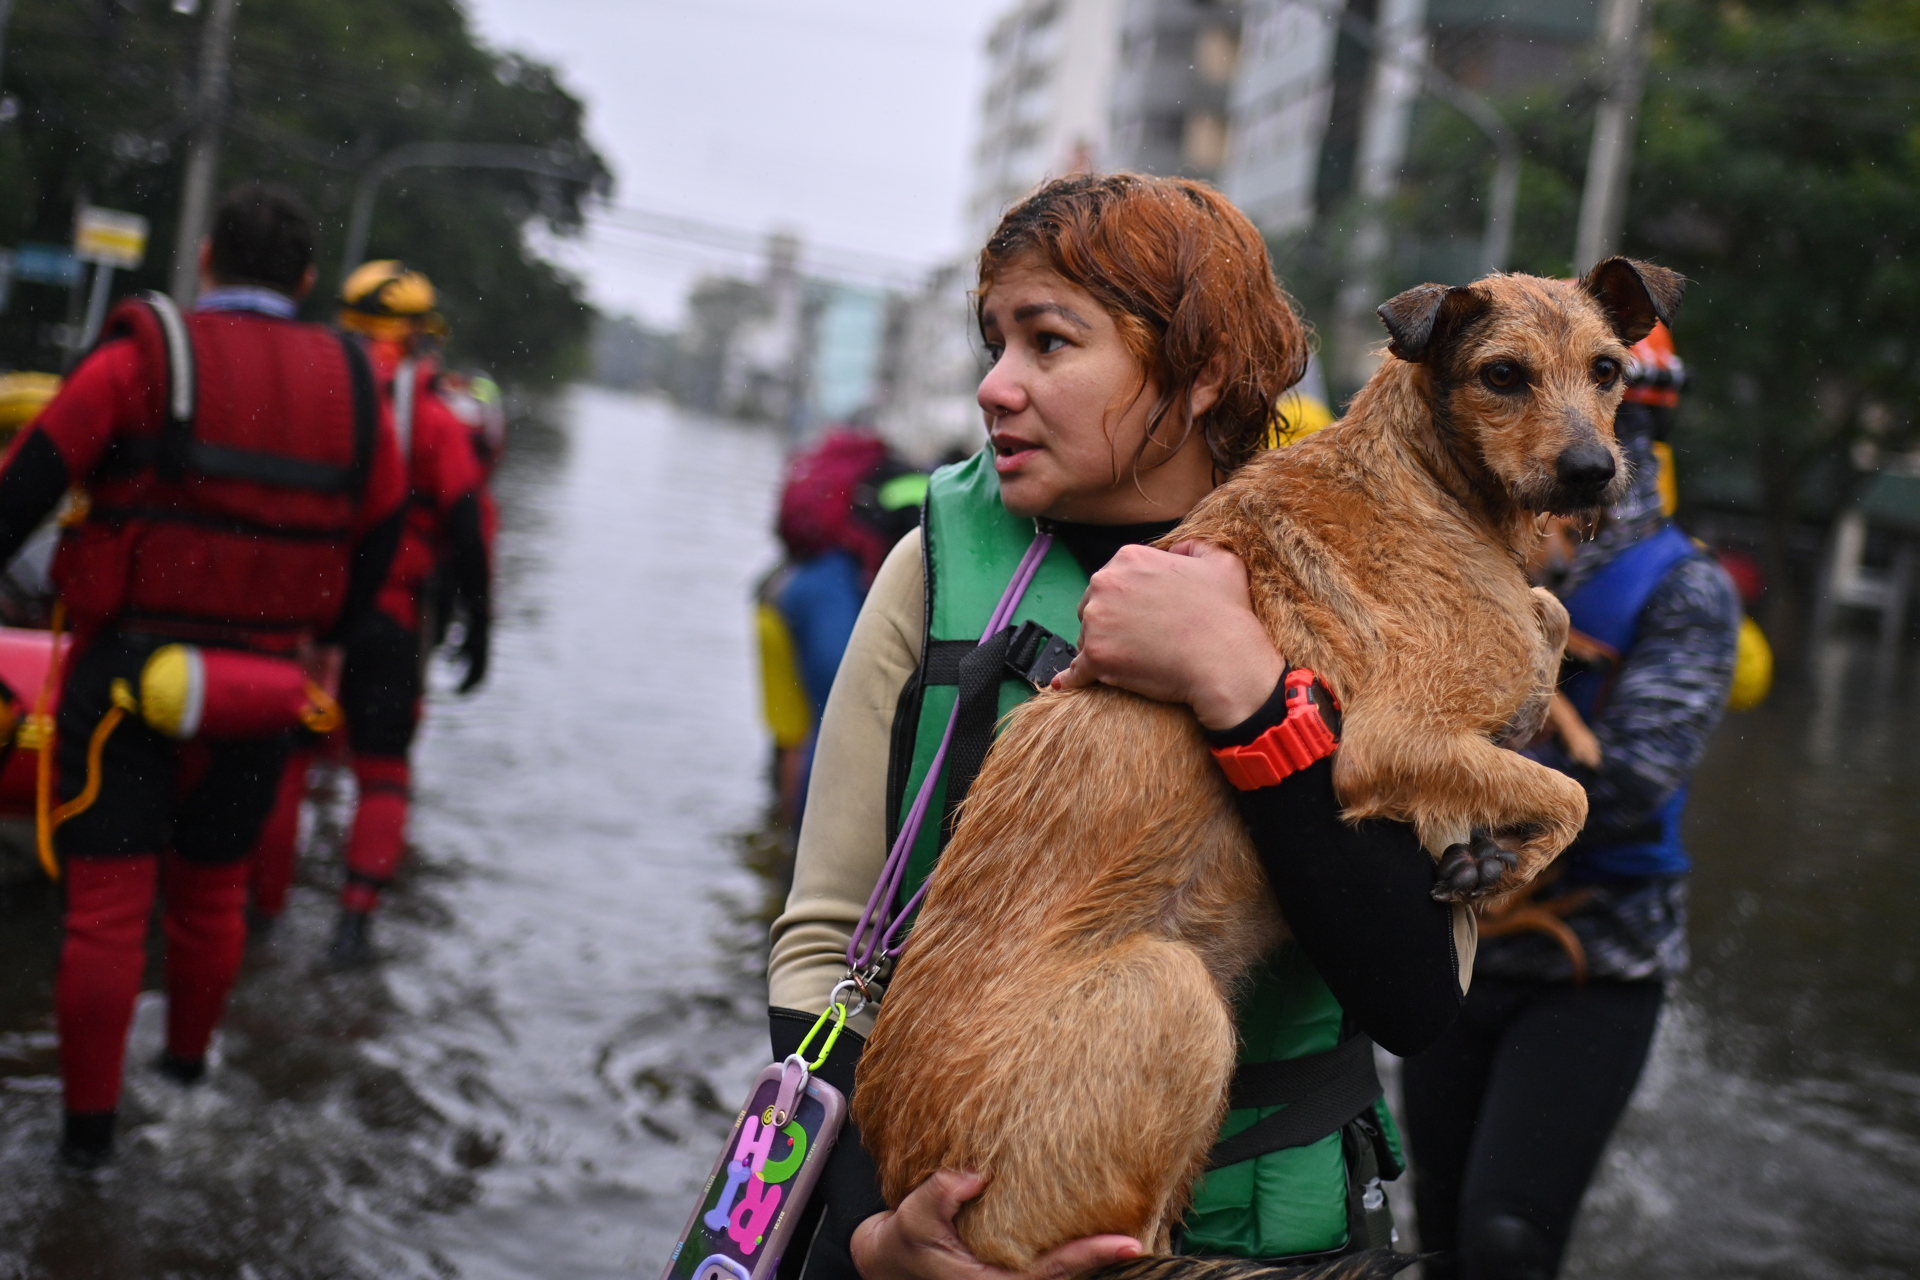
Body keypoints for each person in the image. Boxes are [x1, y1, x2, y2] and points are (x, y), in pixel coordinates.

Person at [766, 173, 1479, 1280]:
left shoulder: (1365, 588)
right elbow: (829, 946)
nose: (997, 387)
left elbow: (1416, 996)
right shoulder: (932, 572)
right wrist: (875, 1238)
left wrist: (1245, 692)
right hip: (948, 1235)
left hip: (1270, 1243)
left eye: (1049, 343)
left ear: (1198, 375)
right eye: (993, 342)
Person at [0, 182, 407, 1167]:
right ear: (307, 281)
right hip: (261, 684)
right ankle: (185, 1080)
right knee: (212, 895)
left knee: (105, 907)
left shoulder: (144, 357)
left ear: (206, 260)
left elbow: (29, 485)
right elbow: (384, 527)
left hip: (128, 674)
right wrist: (329, 630)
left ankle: (85, 1142)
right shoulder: (352, 385)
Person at [1398, 323, 1742, 1279]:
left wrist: (1460, 755)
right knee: (1432, 1238)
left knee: (1507, 1240)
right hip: (1458, 947)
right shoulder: (1458, 547)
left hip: (1599, 957)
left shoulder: (1686, 590)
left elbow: (1632, 786)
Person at [311, 260, 492, 967]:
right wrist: (479, 624)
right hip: (392, 616)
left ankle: (257, 915)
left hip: (303, 614)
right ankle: (353, 924)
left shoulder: (318, 393)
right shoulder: (437, 418)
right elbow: (469, 525)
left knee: (288, 757)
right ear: (419, 334)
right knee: (383, 770)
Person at [756, 429, 926, 825]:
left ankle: (781, 841)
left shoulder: (861, 482)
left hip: (775, 596)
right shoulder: (934, 488)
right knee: (835, 725)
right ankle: (803, 858)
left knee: (794, 737)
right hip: (822, 600)